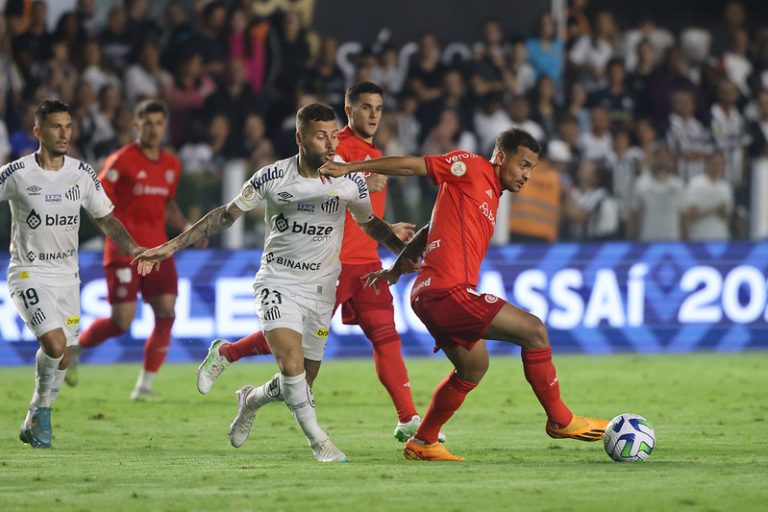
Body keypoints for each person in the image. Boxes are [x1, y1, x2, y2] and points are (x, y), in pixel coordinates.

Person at [133, 103, 410, 462]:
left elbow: (370, 224)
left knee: (302, 383)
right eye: (320, 136)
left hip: (322, 287)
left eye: (333, 135)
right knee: (291, 366)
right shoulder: (272, 177)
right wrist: (169, 247)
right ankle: (320, 443)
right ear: (300, 138)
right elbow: (224, 216)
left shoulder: (350, 180)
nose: (330, 144)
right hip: (277, 281)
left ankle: (250, 399)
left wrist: (401, 252)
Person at [318, 128, 608, 461]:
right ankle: (561, 419)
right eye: (523, 164)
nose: (527, 175)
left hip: (431, 294)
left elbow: (429, 228)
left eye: (531, 168)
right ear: (501, 157)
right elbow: (414, 165)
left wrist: (396, 270)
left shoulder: (486, 193)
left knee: (473, 367)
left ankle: (424, 441)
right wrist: (348, 169)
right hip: (446, 291)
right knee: (535, 331)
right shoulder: (470, 167)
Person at [195, 82, 438, 442]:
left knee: (387, 337)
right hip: (329, 266)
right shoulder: (331, 149)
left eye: (379, 108)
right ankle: (231, 356)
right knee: (297, 362)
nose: (373, 115)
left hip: (367, 263)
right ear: (349, 111)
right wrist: (360, 177)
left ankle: (408, 418)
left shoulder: (374, 153)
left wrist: (390, 229)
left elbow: (364, 217)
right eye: (366, 107)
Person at [1, 99, 144, 448]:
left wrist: (135, 248)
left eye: (68, 126)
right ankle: (42, 414)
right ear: (38, 131)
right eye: (56, 126)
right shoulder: (17, 173)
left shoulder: (81, 173)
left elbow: (106, 218)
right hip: (28, 273)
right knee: (54, 343)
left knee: (64, 354)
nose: (64, 133)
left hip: (68, 277)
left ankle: (37, 413)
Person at [68, 99, 206, 400]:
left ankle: (144, 385)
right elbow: (96, 202)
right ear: (136, 125)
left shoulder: (172, 164)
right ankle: (75, 347)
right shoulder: (121, 161)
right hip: (124, 253)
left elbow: (168, 204)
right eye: (147, 123)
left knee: (166, 313)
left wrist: (186, 229)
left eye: (158, 123)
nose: (153, 129)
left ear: (165, 126)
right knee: (121, 322)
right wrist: (118, 239)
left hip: (159, 251)